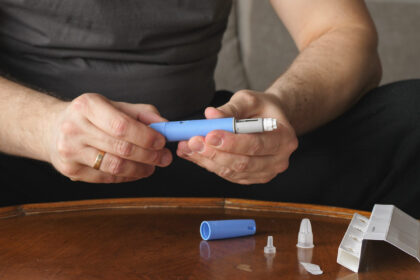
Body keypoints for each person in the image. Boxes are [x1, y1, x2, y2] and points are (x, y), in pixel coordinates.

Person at [0, 0, 419, 217]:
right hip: (29, 161)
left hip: (207, 157)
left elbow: (344, 32)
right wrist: (47, 127)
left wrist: (280, 107)